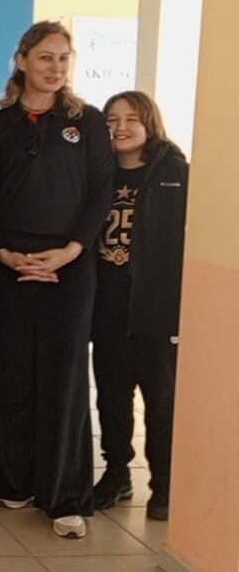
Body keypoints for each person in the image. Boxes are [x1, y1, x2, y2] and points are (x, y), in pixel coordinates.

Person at [0, 21, 113, 539]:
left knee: (63, 378)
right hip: (8, 264)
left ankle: (64, 496)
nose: (55, 67)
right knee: (11, 373)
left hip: (69, 266)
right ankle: (12, 480)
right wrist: (2, 252)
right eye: (45, 57)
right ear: (22, 60)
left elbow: (101, 191)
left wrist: (71, 250)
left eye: (63, 58)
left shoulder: (86, 121)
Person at [91, 91, 187, 522]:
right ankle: (116, 474)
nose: (121, 127)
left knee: (162, 403)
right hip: (108, 308)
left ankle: (164, 485)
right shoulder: (99, 172)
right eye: (111, 120)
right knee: (111, 399)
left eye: (131, 118)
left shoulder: (175, 172)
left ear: (149, 121)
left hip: (157, 309)